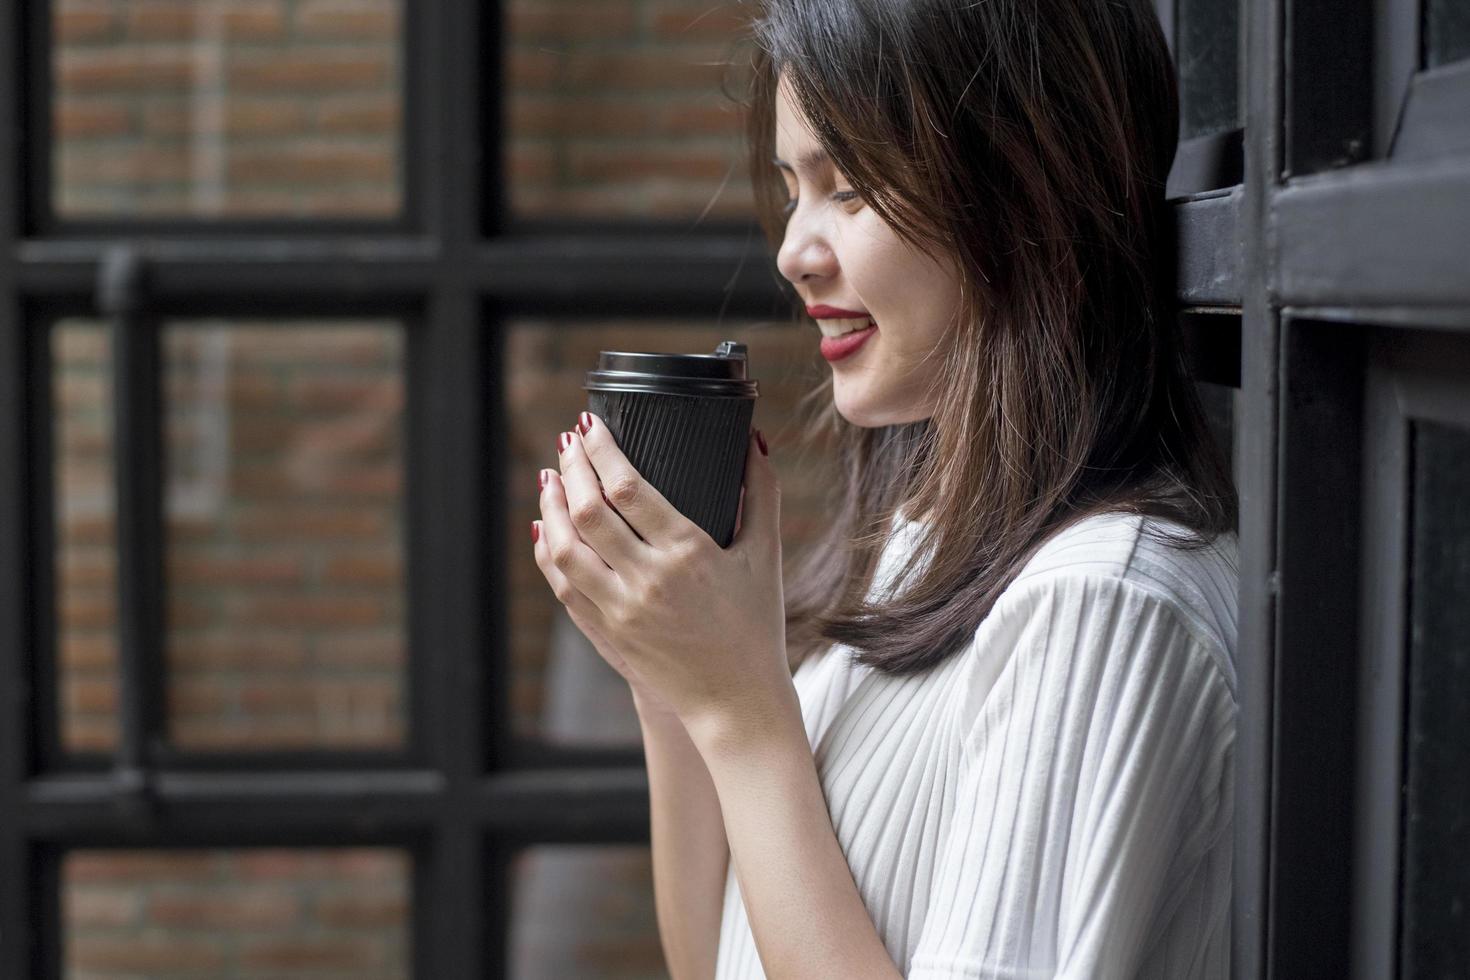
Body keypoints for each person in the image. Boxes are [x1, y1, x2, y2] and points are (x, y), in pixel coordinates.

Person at [531, 0, 1239, 976]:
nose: (793, 251)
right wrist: (672, 672)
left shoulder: (1101, 607)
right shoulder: (920, 551)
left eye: (850, 187)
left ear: (1025, 187)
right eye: (790, 189)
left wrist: (743, 708)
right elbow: (716, 959)